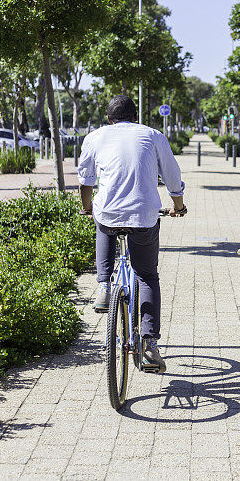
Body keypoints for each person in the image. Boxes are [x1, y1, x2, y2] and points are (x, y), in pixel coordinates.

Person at [78, 95, 187, 373]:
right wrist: (178, 206)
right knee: (147, 275)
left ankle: (103, 286)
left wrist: (87, 207)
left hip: (109, 213)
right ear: (135, 115)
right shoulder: (152, 135)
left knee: (102, 221)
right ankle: (150, 344)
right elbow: (172, 177)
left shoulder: (95, 137)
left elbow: (85, 179)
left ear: (108, 118)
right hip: (144, 216)